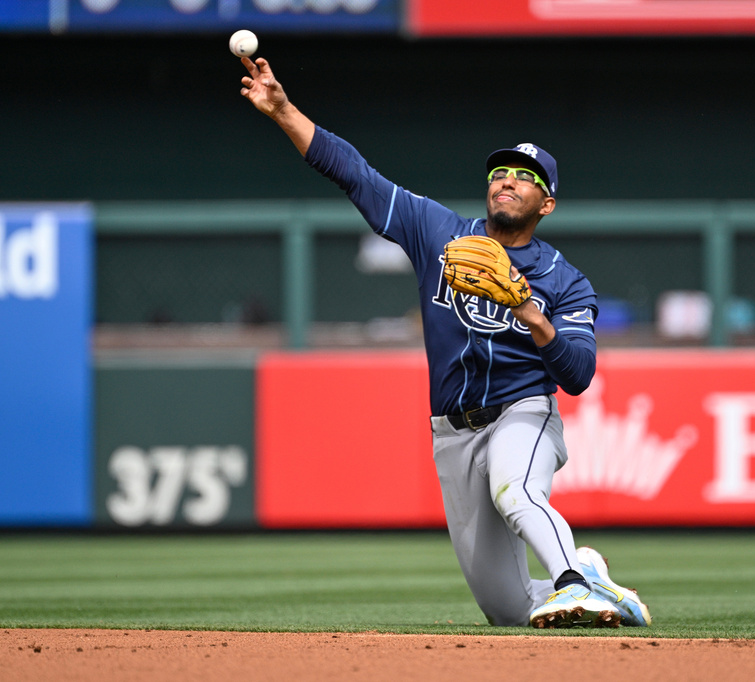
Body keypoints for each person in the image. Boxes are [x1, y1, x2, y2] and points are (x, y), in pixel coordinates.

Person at [238, 56, 650, 629]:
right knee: (503, 609)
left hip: (521, 413)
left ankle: (575, 584)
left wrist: (529, 310)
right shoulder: (439, 231)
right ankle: (589, 573)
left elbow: (578, 374)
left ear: (547, 204)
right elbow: (355, 173)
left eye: (526, 177)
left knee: (516, 492)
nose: (508, 180)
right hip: (451, 430)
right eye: (500, 173)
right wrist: (283, 110)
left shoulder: (563, 278)